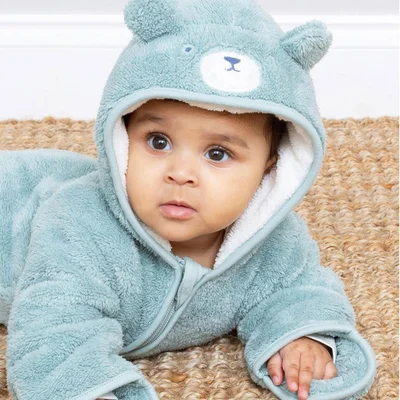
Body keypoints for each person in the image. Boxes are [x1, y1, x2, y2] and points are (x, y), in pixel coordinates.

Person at [0, 0, 376, 399]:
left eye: (218, 153)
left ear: (271, 168)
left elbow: (299, 289)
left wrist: (302, 335)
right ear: (121, 139)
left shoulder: (275, 243)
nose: (180, 173)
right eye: (158, 142)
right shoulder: (78, 223)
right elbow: (56, 327)